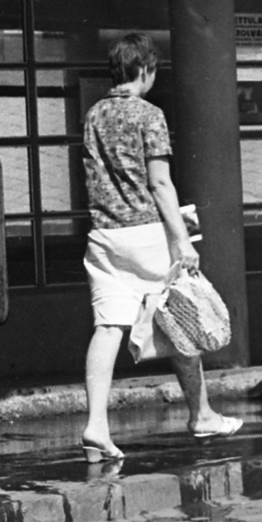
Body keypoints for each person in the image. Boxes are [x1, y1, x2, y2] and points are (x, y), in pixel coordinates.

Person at [79, 32, 242, 461]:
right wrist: (182, 241)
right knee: (183, 315)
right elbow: (160, 183)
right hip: (147, 232)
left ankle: (96, 426)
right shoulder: (150, 116)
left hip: (104, 235)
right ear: (146, 70)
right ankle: (202, 414)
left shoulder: (94, 115)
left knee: (108, 326)